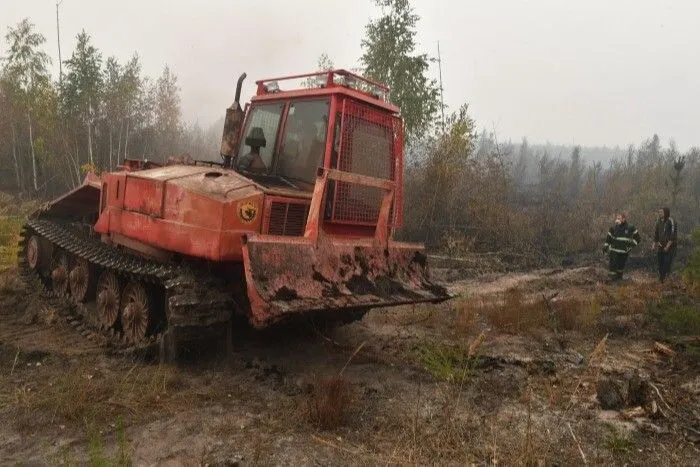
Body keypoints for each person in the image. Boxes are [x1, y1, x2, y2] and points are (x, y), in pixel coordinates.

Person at [603, 212, 641, 281]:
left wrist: (630, 246)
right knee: (613, 267)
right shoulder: (613, 228)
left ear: (624, 219)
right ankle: (612, 282)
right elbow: (608, 239)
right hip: (614, 251)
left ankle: (619, 281)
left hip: (624, 252)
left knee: (621, 268)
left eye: (619, 218)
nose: (617, 220)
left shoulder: (630, 227)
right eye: (617, 218)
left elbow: (638, 239)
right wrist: (605, 247)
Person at [653, 207, 677, 283]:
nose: (659, 213)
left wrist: (667, 246)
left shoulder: (671, 221)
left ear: (665, 213)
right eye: (659, 212)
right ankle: (662, 279)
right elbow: (656, 235)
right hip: (661, 245)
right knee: (660, 263)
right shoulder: (658, 222)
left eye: (661, 212)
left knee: (666, 262)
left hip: (670, 246)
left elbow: (673, 235)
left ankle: (663, 279)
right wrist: (654, 245)